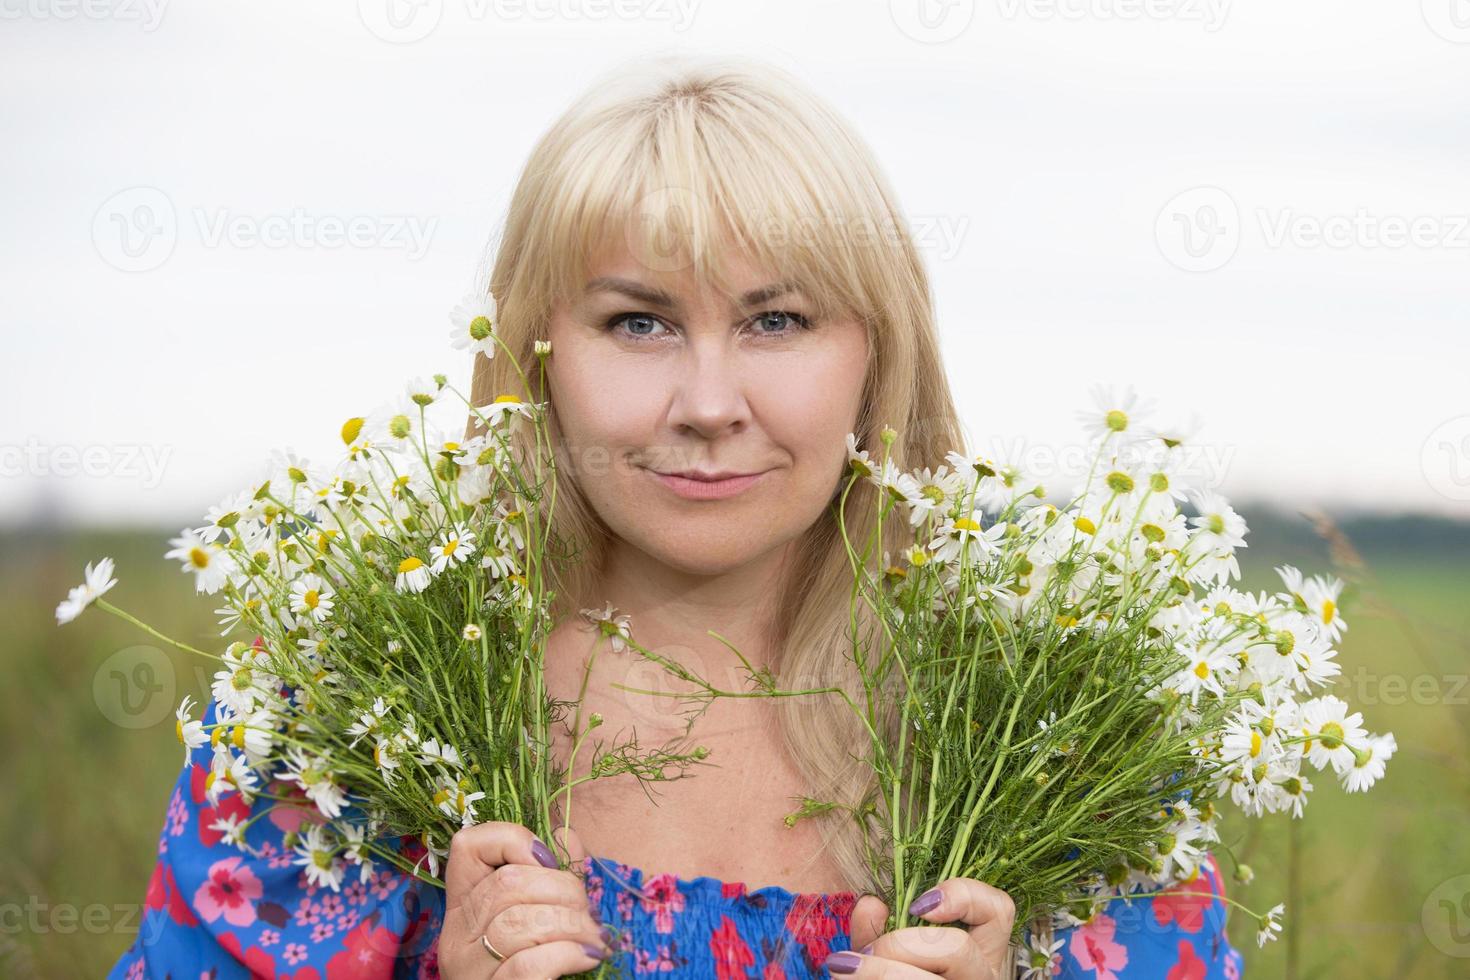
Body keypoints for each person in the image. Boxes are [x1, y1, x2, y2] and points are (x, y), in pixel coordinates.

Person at [109, 54, 1245, 979]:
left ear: (877, 355)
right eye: (639, 323)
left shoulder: (1053, 734)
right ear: (533, 352)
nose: (707, 406)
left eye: (778, 320)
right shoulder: (341, 718)